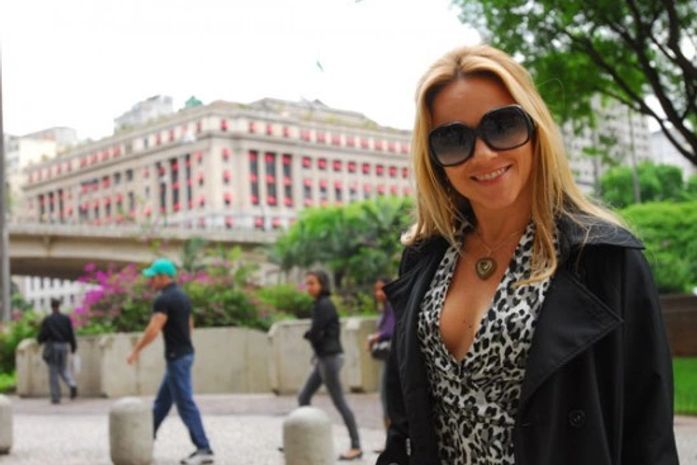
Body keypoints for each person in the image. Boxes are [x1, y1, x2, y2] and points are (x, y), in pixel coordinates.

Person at [377, 44, 679, 465]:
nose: (484, 154)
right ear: (434, 159)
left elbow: (648, 434)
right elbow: (406, 417)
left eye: (502, 125)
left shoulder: (604, 257)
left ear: (536, 129)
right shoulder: (424, 257)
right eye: (453, 138)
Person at [126, 258, 214, 465]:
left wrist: (136, 350)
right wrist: (184, 343)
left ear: (162, 276)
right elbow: (190, 324)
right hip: (185, 354)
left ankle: (204, 448)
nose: (151, 281)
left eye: (153, 277)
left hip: (177, 357)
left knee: (185, 403)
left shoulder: (163, 300)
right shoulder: (182, 297)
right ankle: (145, 439)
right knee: (162, 402)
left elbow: (154, 329)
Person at [298, 270, 362, 461]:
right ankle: (302, 440)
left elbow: (316, 332)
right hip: (324, 358)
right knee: (303, 397)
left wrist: (310, 335)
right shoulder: (319, 304)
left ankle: (356, 446)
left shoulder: (324, 304)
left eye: (312, 283)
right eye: (307, 283)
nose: (309, 287)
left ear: (322, 285)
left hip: (330, 358)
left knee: (339, 401)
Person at [366, 277, 395, 434]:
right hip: (388, 359)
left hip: (392, 359)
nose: (378, 293)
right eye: (376, 289)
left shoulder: (392, 306)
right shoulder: (385, 308)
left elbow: (390, 330)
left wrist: (375, 338)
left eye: (381, 289)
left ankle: (391, 440)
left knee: (387, 398)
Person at [37, 298, 78, 404]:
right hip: (64, 346)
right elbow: (71, 333)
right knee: (63, 368)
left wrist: (39, 341)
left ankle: (56, 397)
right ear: (59, 306)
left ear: (52, 306)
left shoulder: (48, 319)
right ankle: (72, 384)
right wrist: (73, 347)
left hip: (53, 346)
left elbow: (43, 333)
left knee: (53, 371)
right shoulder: (66, 318)